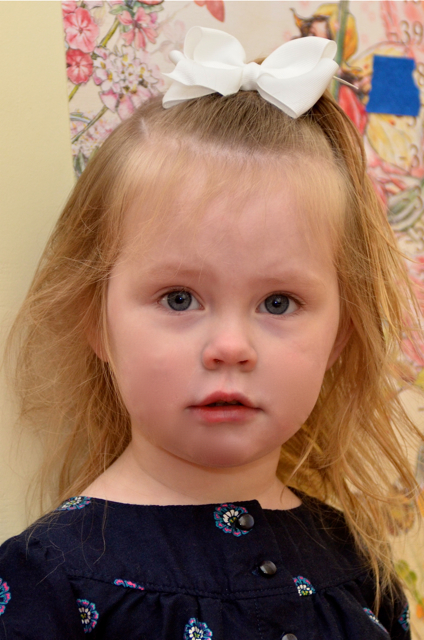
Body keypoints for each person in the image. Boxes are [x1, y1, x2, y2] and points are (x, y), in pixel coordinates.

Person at [0, 27, 421, 640]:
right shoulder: (48, 581)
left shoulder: (358, 564)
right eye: (179, 299)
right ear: (96, 319)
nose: (230, 347)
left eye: (278, 302)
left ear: (339, 337)